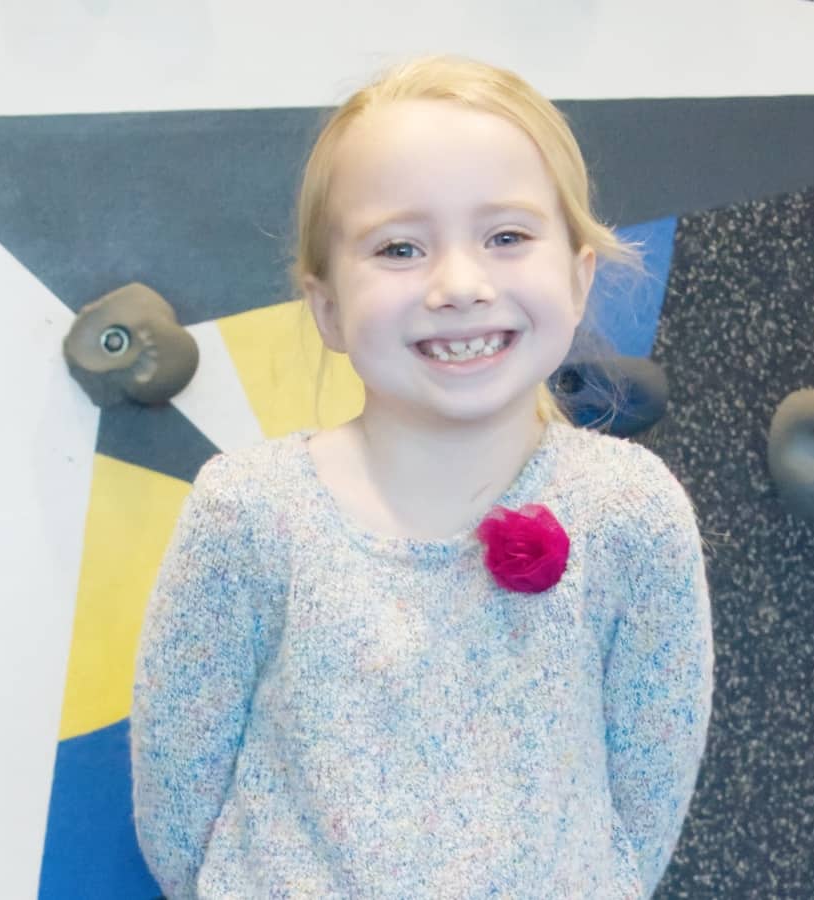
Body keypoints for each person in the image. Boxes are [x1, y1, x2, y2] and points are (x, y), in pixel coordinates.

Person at [130, 53, 715, 899]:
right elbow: (179, 802)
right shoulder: (249, 511)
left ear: (579, 275)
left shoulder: (630, 511)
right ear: (327, 306)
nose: (460, 285)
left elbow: (646, 798)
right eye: (399, 248)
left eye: (507, 236)